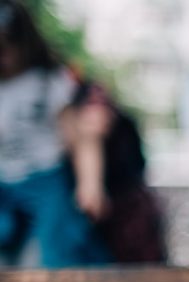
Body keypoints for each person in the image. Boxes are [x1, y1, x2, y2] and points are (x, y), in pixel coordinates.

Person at [0, 0, 110, 267]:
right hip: (4, 181)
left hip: (46, 177)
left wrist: (90, 183)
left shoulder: (48, 80)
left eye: (6, 48)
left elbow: (82, 137)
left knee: (57, 246)